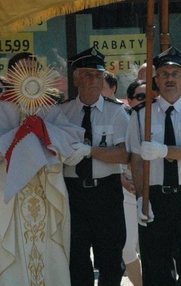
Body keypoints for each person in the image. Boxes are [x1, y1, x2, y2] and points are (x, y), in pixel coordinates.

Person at [0, 54, 88, 286]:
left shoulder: (49, 109)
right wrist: (19, 136)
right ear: (11, 76)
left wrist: (43, 129)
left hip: (46, 193)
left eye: (34, 70)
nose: (29, 76)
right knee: (10, 252)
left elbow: (71, 141)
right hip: (9, 197)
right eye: (23, 70)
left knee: (48, 250)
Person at [127, 47, 181, 286]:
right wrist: (141, 198)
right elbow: (135, 159)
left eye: (176, 74)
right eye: (164, 73)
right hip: (155, 197)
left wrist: (164, 151)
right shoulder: (140, 115)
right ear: (155, 79)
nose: (170, 79)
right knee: (156, 267)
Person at [58, 47, 130, 286]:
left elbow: (124, 154)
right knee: (76, 258)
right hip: (73, 192)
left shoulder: (117, 112)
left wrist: (91, 151)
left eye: (98, 75)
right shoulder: (62, 113)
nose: (94, 80)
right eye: (88, 75)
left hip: (106, 191)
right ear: (76, 78)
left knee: (111, 258)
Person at [122, 79, 147, 286]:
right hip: (127, 191)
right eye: (140, 97)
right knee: (128, 248)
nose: (145, 101)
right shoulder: (121, 119)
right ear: (130, 100)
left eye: (149, 96)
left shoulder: (159, 119)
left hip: (154, 190)